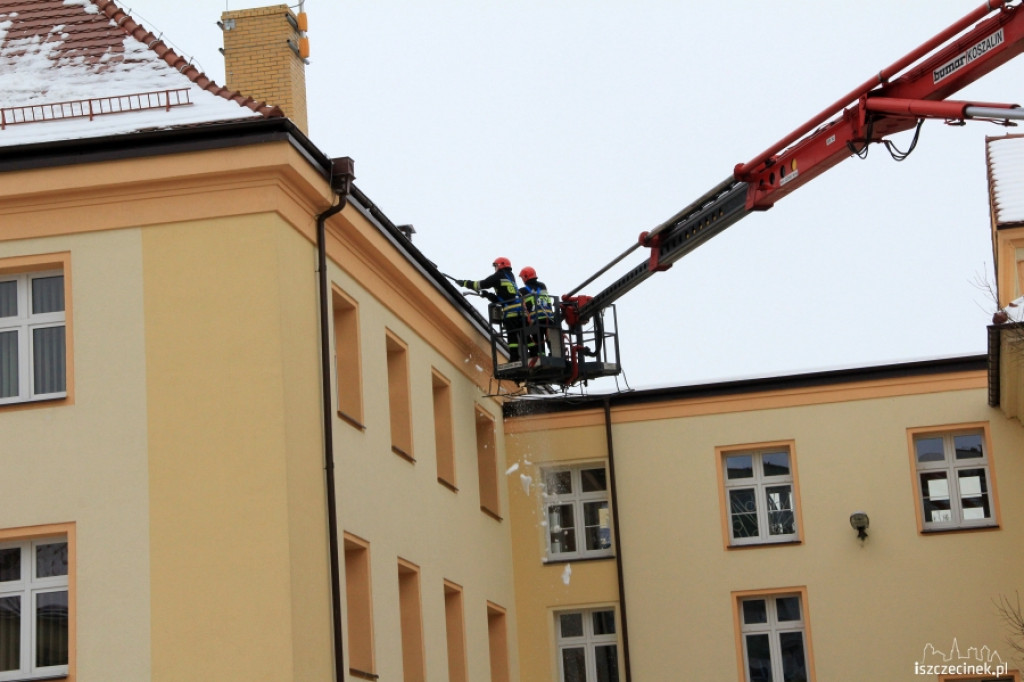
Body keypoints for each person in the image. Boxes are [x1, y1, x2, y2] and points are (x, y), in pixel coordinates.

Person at [456, 257, 526, 361]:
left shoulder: (498, 276)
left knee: (512, 337)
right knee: (521, 335)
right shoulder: (510, 277)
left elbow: (480, 285)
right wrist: (487, 295)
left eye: (496, 266)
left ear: (501, 265)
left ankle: (514, 358)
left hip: (510, 312)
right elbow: (502, 297)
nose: (495, 268)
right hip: (520, 311)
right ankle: (525, 356)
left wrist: (465, 283)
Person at [518, 266, 558, 359]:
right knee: (549, 338)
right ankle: (554, 354)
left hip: (536, 319)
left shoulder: (523, 291)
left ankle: (541, 356)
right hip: (548, 317)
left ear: (525, 277)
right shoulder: (542, 286)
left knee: (538, 340)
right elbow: (548, 301)